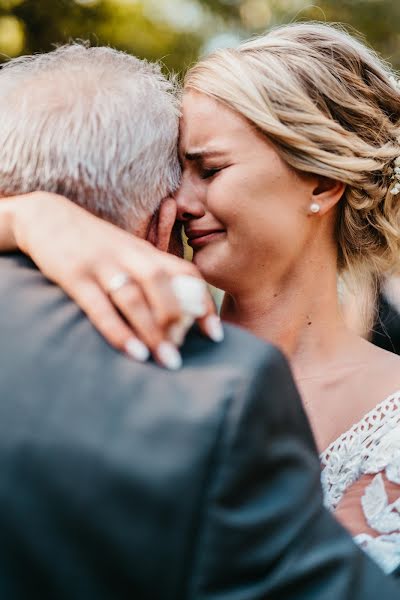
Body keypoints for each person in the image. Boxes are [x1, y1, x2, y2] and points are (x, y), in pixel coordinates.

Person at [1, 43, 399, 600]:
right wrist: (28, 216)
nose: (180, 200)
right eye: (176, 171)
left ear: (320, 183)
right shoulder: (106, 345)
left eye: (208, 169)